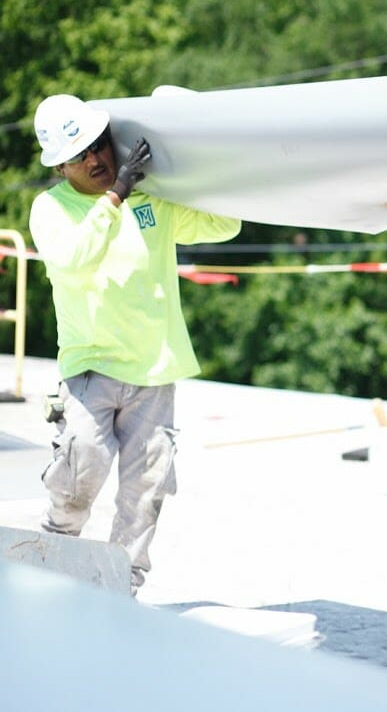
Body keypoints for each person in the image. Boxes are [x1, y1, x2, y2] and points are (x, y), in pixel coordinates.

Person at [29, 93, 242, 596]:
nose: (98, 159)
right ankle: (49, 562)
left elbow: (226, 224)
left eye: (100, 145)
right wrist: (118, 194)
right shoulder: (51, 208)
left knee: (146, 492)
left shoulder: (150, 200)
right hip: (91, 367)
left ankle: (121, 590)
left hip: (154, 369)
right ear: (61, 166)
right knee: (81, 468)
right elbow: (74, 261)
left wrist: (193, 168)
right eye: (82, 155)